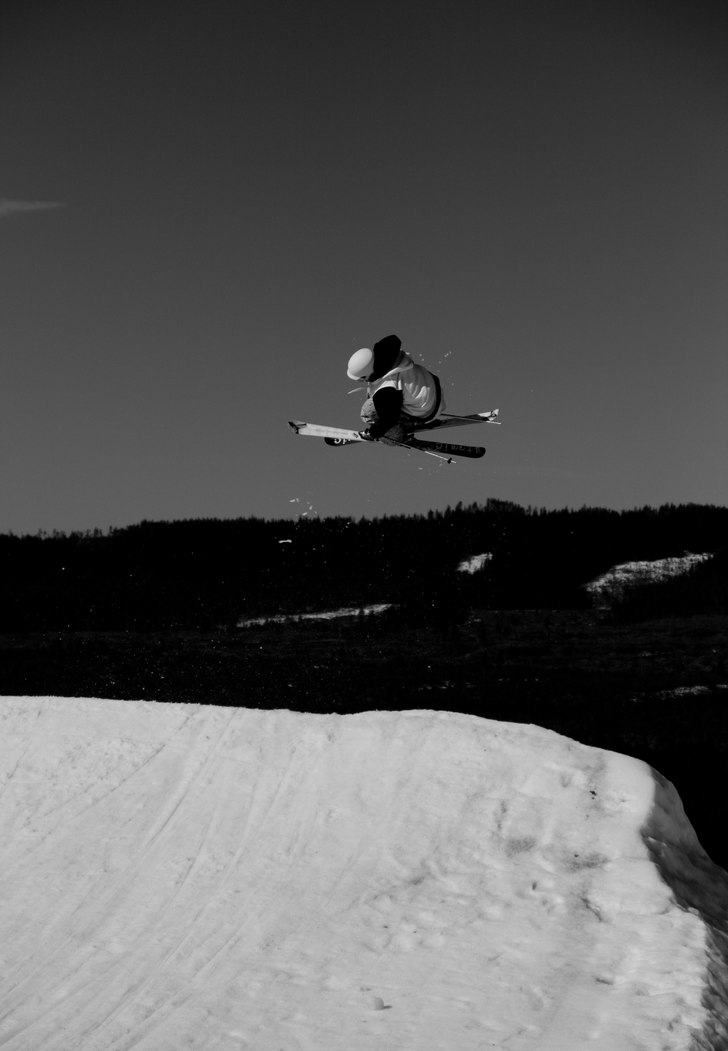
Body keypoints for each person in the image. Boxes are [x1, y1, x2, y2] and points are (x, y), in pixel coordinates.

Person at [346, 334, 445, 444]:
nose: (363, 381)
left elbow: (389, 418)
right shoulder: (389, 356)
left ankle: (397, 435)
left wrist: (376, 432)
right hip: (435, 392)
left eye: (362, 379)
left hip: (425, 412)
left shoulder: (386, 389)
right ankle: (409, 417)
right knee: (380, 398)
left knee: (367, 412)